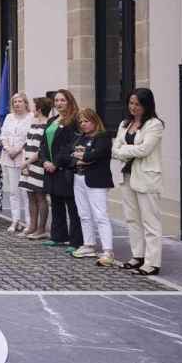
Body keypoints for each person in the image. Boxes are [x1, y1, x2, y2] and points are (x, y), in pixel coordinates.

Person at [113, 88, 164, 276]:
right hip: (127, 176)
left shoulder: (154, 125)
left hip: (146, 177)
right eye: (131, 103)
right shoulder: (125, 124)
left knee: (150, 221)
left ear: (146, 105)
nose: (133, 107)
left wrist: (123, 150)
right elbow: (114, 148)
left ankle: (152, 262)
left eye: (138, 104)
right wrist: (126, 149)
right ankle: (138, 256)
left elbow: (145, 150)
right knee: (132, 218)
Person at [40, 89, 83, 252]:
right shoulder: (52, 120)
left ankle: (76, 240)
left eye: (62, 100)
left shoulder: (74, 120)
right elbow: (43, 143)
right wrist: (44, 161)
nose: (59, 103)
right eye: (56, 101)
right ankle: (58, 236)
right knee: (56, 203)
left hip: (65, 169)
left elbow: (70, 145)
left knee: (72, 206)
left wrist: (56, 163)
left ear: (69, 101)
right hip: (50, 168)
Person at [71, 108, 115, 265]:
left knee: (100, 215)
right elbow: (68, 155)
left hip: (96, 180)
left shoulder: (103, 137)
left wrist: (84, 155)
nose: (83, 124)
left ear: (95, 121)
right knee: (84, 213)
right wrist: (84, 156)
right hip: (79, 178)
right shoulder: (80, 138)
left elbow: (96, 154)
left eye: (86, 121)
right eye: (81, 122)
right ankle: (88, 244)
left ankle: (108, 250)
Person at [19, 97, 52, 239]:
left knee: (40, 196)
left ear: (39, 109)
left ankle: (41, 228)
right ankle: (32, 225)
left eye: (34, 106)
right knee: (30, 195)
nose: (33, 109)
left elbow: (41, 149)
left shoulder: (47, 126)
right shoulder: (34, 124)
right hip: (27, 163)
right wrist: (24, 161)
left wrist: (28, 162)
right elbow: (27, 144)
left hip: (37, 164)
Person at [0, 93, 33, 232]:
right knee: (13, 191)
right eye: (15, 102)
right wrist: (9, 149)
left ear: (26, 103)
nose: (17, 104)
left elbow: (31, 137)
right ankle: (15, 220)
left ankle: (29, 222)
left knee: (25, 191)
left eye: (20, 101)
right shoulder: (9, 117)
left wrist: (18, 149)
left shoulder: (31, 117)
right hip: (8, 157)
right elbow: (3, 135)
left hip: (24, 158)